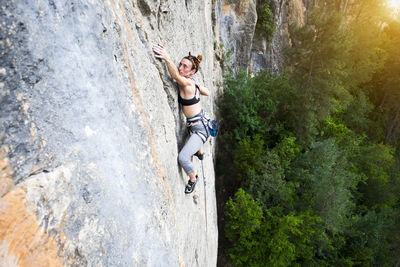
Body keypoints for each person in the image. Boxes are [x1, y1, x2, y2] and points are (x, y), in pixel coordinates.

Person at [152, 44, 210, 194]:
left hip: (200, 130)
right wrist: (197, 84)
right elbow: (207, 92)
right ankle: (199, 151)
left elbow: (176, 77)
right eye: (180, 64)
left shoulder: (188, 84)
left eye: (185, 67)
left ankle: (192, 178)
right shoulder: (193, 83)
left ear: (192, 72)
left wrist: (166, 57)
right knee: (192, 130)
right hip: (198, 123)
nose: (180, 68)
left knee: (183, 158)